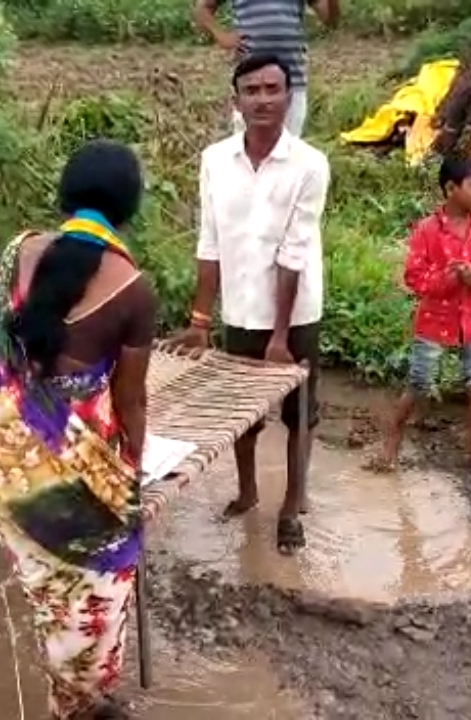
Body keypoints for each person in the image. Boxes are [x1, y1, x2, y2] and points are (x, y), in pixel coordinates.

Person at [0, 139, 155, 720]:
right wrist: (133, 474)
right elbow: (131, 400)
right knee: (96, 582)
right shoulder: (133, 287)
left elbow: (5, 350)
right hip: (73, 468)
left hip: (1, 449)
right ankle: (75, 703)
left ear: (67, 195)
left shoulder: (19, 248)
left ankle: (72, 698)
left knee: (46, 586)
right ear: (129, 203)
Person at [173, 54, 330, 557]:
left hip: (297, 313)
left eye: (272, 89)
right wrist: (200, 321)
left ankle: (292, 505)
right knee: (241, 413)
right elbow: (209, 241)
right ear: (235, 99)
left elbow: (295, 250)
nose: (262, 99)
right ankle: (247, 490)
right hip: (240, 311)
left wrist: (281, 337)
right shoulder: (214, 159)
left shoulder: (310, 164)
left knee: (299, 413)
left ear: (289, 96)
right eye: (252, 90)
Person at [374, 156, 471, 485]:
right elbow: (414, 278)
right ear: (451, 188)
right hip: (435, 320)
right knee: (419, 383)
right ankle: (392, 439)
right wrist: (450, 278)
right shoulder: (427, 230)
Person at [192, 0, 340, 137]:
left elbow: (330, 21)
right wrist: (222, 37)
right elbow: (203, 7)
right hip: (250, 81)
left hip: (292, 80)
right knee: (247, 151)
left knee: (288, 152)